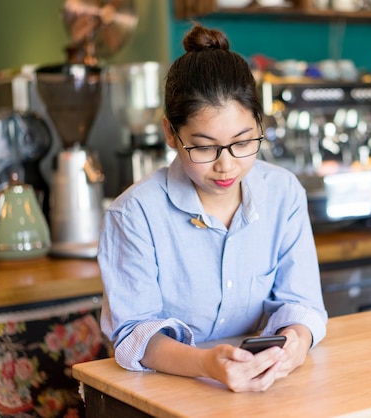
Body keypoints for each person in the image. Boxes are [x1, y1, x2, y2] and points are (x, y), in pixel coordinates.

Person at [98, 23, 328, 393]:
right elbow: (134, 333)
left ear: (259, 124)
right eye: (204, 147)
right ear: (171, 134)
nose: (227, 166)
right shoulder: (135, 214)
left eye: (242, 142)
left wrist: (295, 345)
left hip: (268, 389)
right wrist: (205, 363)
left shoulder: (283, 193)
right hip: (167, 392)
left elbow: (300, 304)